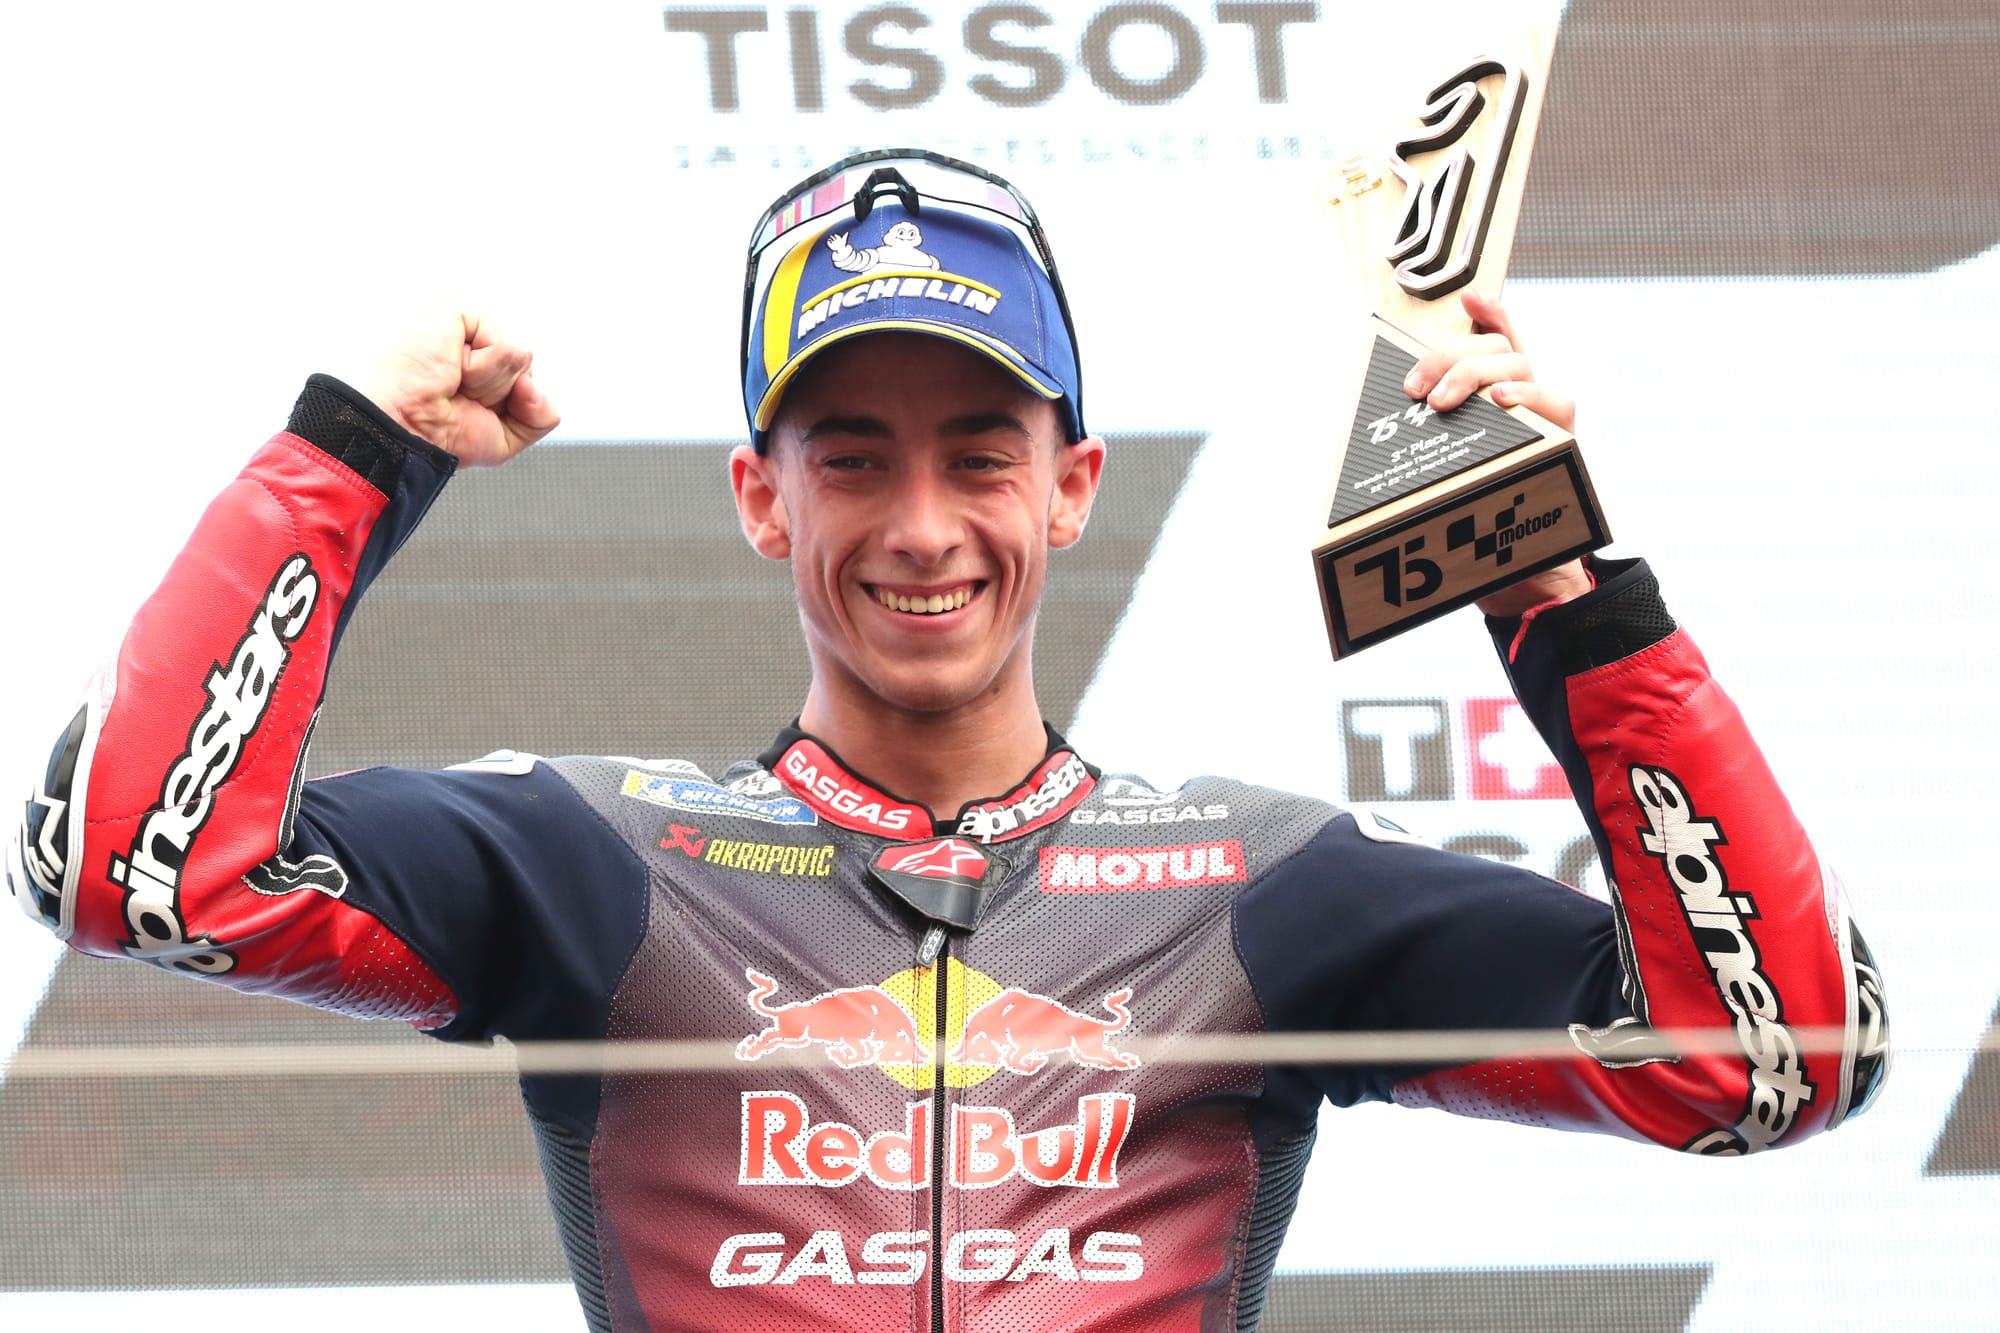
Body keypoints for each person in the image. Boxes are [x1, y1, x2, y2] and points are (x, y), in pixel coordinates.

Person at [7, 150, 1888, 1332]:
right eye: (854, 456)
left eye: (981, 452)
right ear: (761, 497)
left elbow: (1774, 1058)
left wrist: (1559, 589)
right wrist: (349, 450)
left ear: (1070, 488)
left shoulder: (1259, 887)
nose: (922, 525)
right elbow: (132, 866)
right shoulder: (600, 865)